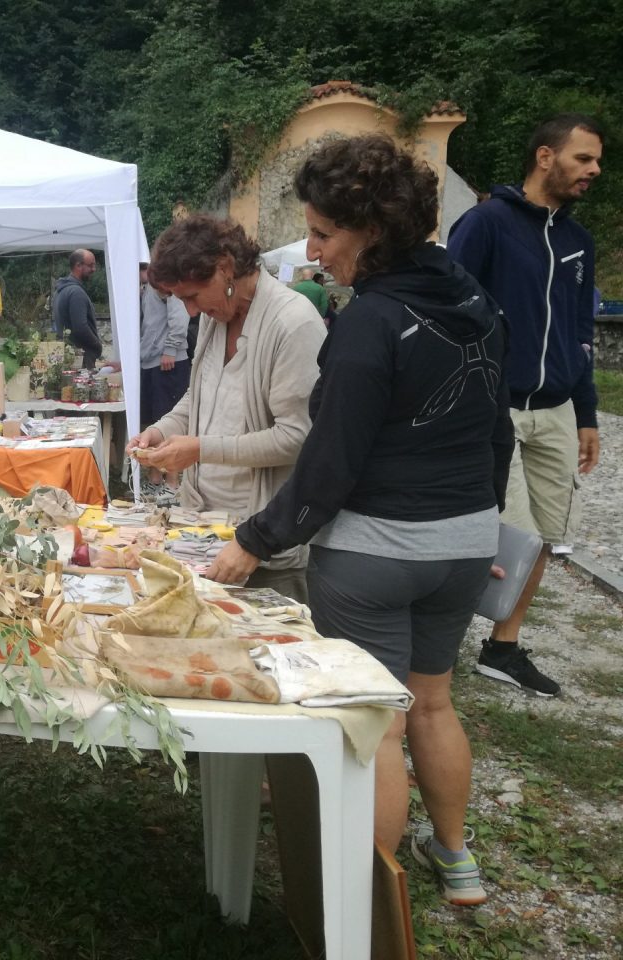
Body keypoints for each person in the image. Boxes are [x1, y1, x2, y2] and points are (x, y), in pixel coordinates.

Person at [206, 135, 513, 906]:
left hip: (377, 552)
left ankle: (365, 911)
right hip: (466, 541)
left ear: (371, 231)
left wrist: (255, 542)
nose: (312, 252)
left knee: (372, 726)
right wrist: (488, 527)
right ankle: (455, 860)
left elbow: (329, 463)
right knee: (434, 702)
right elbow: (494, 430)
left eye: (322, 233)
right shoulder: (475, 300)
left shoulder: (371, 322)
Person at [447, 113, 604, 698]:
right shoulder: (487, 223)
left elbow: (578, 331)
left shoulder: (578, 241)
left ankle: (503, 648)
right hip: (496, 406)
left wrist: (586, 414)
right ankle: (442, 639)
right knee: (497, 531)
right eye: (582, 159)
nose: (593, 171)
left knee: (543, 534)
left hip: (558, 406)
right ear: (545, 157)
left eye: (596, 162)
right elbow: (453, 306)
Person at [127, 215, 326, 602]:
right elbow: (197, 398)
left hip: (263, 541)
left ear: (225, 268)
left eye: (191, 296)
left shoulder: (293, 323)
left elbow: (298, 437)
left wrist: (199, 448)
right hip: (202, 529)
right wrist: (162, 430)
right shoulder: (216, 318)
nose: (189, 311)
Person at [138, 262, 192, 428]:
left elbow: (180, 316)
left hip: (168, 362)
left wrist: (170, 349)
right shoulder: (148, 288)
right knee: (152, 421)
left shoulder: (166, 281)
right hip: (153, 361)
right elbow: (149, 325)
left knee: (169, 422)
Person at [52, 249, 102, 368]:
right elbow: (80, 327)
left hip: (69, 355)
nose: (93, 269)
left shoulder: (61, 291)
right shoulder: (75, 292)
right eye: (90, 265)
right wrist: (97, 345)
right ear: (78, 265)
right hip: (81, 359)